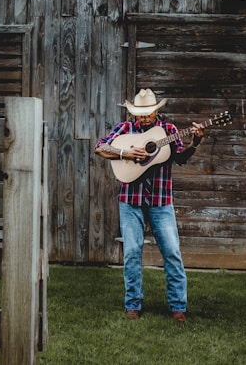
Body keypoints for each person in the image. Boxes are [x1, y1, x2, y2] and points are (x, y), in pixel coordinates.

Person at [94, 88, 204, 322]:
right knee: (132, 253)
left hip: (160, 201)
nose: (143, 118)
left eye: (148, 113)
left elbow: (181, 158)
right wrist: (124, 152)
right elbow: (100, 147)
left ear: (156, 111)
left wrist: (196, 140)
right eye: (139, 113)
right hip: (131, 201)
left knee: (172, 252)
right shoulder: (125, 129)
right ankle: (133, 304)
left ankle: (178, 307)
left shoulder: (169, 131)